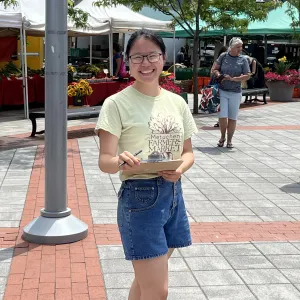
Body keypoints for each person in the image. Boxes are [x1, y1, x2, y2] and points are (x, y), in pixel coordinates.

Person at [95, 29, 198, 300]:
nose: (145, 63)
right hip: (140, 199)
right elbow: (105, 161)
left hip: (174, 194)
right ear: (127, 61)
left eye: (152, 55)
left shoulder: (177, 102)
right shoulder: (115, 104)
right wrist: (119, 160)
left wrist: (180, 169)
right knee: (157, 290)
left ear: (163, 58)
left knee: (145, 284)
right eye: (137, 57)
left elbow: (188, 153)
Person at [211, 37, 250, 149]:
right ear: (231, 47)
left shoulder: (243, 60)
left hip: (235, 92)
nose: (240, 49)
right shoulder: (224, 56)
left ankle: (230, 140)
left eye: (241, 47)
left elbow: (247, 75)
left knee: (232, 117)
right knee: (223, 116)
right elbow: (215, 69)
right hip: (223, 90)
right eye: (238, 47)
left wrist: (233, 79)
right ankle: (222, 137)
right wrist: (219, 75)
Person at [210, 46, 228, 128]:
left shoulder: (227, 62)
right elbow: (212, 72)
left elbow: (211, 72)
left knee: (222, 104)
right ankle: (220, 121)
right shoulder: (219, 62)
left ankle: (221, 121)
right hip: (219, 85)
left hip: (224, 85)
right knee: (221, 103)